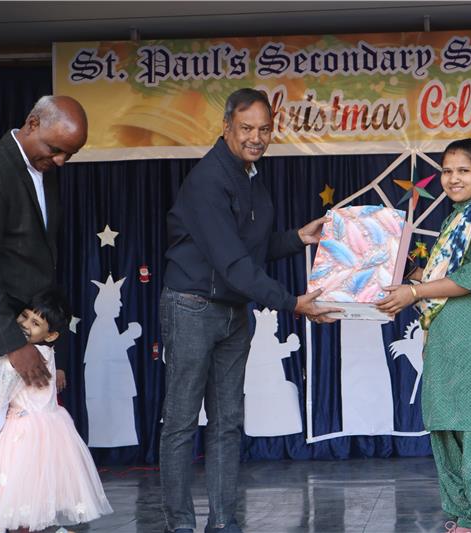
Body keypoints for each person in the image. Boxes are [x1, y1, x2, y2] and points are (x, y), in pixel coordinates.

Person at [160, 88, 338, 533]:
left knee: (227, 423)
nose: (256, 137)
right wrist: (292, 303)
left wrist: (297, 238)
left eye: (264, 129)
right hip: (192, 307)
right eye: (246, 128)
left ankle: (224, 523)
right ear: (226, 128)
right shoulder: (208, 180)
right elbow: (234, 262)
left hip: (233, 311)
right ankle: (180, 524)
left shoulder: (250, 174)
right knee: (182, 422)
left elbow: (249, 248)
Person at [376, 138, 471, 533]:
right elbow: (436, 279)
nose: (453, 178)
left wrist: (415, 292)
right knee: (447, 426)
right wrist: (395, 267)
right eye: (446, 171)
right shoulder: (452, 221)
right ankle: (463, 517)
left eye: (463, 171)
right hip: (443, 337)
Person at [0, 95, 87, 445]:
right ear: (32, 124)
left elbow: (37, 262)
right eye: (55, 149)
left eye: (69, 154)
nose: (60, 161)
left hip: (30, 342)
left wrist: (47, 347)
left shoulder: (42, 167)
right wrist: (15, 345)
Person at [0, 287, 113, 532]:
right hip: (50, 430)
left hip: (22, 435)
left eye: (35, 323)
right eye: (24, 316)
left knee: (17, 502)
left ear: (51, 335)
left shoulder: (23, 359)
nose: (25, 324)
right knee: (33, 501)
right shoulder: (46, 352)